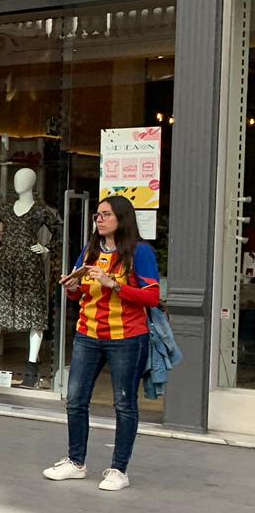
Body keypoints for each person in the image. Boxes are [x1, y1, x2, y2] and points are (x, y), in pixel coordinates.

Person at [43, 194, 160, 492]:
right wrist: (71, 288)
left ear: (122, 218)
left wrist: (115, 284)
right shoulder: (90, 251)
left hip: (128, 338)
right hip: (88, 334)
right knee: (76, 398)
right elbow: (79, 293)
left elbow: (152, 297)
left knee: (124, 403)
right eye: (98, 214)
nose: (99, 219)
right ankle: (75, 462)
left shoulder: (140, 252)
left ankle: (119, 470)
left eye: (106, 214)